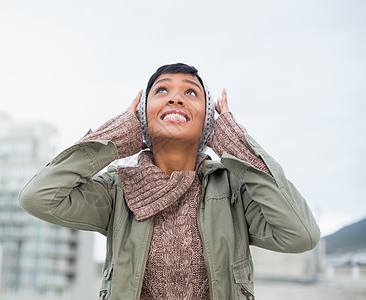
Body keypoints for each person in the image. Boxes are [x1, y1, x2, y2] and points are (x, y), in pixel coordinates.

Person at [19, 63, 320, 300]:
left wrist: (237, 146)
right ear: (140, 116)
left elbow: (301, 234)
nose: (176, 97)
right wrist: (115, 136)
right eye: (162, 90)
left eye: (191, 92)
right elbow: (39, 196)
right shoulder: (117, 189)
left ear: (209, 122)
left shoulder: (232, 191)